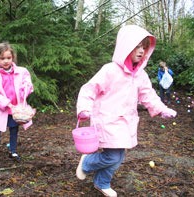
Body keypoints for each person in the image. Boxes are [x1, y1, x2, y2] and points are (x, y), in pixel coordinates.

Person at [75, 25, 177, 197]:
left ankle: (102, 182)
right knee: (113, 157)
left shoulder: (140, 75)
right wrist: (84, 108)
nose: (141, 51)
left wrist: (162, 109)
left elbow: (148, 95)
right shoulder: (110, 70)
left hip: (126, 122)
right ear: (125, 47)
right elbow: (89, 88)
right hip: (107, 120)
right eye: (137, 46)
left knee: (118, 157)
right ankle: (87, 163)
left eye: (144, 47)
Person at [0, 42, 34, 162]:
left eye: (8, 58)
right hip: (0, 107)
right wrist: (5, 102)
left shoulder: (21, 72)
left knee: (14, 128)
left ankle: (13, 150)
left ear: (13, 58)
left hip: (15, 108)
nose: (6, 61)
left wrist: (24, 91)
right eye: (2, 58)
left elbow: (27, 84)